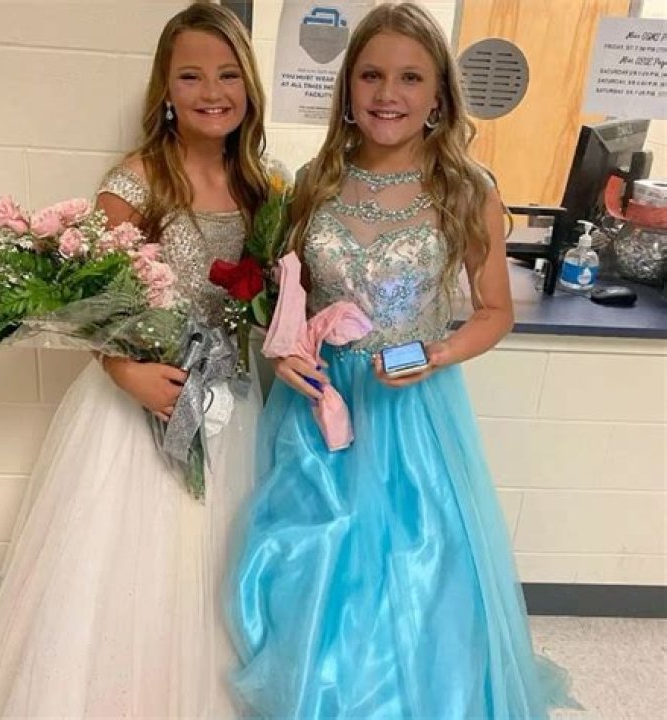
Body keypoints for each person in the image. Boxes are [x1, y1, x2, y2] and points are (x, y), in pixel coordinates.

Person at [226, 4, 575, 718]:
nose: (389, 94)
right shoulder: (314, 181)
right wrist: (284, 350)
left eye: (411, 78)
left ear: (439, 93)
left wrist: (434, 352)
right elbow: (289, 297)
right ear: (348, 88)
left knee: (418, 565)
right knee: (316, 559)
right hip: (319, 409)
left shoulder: (466, 191)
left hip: (410, 409)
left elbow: (495, 311)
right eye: (372, 76)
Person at [0, 4, 276, 717]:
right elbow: (87, 302)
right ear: (165, 88)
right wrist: (123, 370)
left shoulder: (264, 185)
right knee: (133, 565)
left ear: (249, 87)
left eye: (227, 74)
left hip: (229, 400)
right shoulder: (135, 181)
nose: (211, 91)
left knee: (219, 554)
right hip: (139, 399)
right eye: (190, 76)